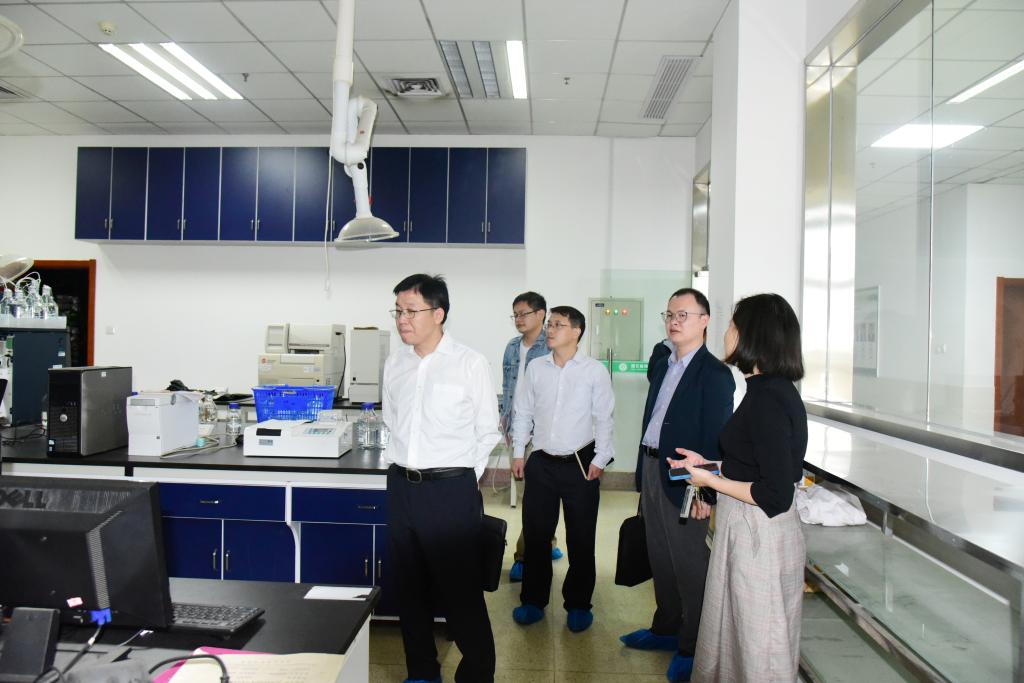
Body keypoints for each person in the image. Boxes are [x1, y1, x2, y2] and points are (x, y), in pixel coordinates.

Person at [674, 293, 808, 683]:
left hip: (760, 536)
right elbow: (750, 464)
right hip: (746, 531)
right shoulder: (763, 390)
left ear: (753, 334)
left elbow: (774, 494)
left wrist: (710, 481)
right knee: (736, 640)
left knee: (759, 649)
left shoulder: (770, 398)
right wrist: (705, 465)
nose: (726, 332)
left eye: (733, 325)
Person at [381, 273, 500, 683]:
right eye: (398, 311)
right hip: (402, 487)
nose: (402, 319)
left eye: (411, 311)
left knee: (460, 591)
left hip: (450, 491)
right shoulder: (395, 363)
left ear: (438, 313)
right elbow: (392, 421)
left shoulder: (469, 363)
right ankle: (422, 672)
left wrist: (463, 479)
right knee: (408, 587)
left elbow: (487, 431)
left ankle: (477, 673)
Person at [620, 288, 734, 683]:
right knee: (660, 556)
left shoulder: (715, 374)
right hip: (653, 468)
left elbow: (716, 437)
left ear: (705, 320)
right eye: (669, 314)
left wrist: (705, 490)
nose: (674, 321)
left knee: (688, 563)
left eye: (683, 314)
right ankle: (666, 627)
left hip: (689, 477)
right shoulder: (664, 364)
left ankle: (692, 645)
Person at [509, 305, 614, 633]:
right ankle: (533, 600)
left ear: (576, 331)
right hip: (541, 463)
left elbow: (604, 417)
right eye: (550, 324)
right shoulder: (536, 368)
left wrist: (600, 459)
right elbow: (523, 411)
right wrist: (518, 452)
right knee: (537, 535)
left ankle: (579, 603)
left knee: (581, 538)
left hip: (580, 466)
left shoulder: (594, 371)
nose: (550, 330)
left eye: (558, 325)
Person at [500, 291, 563, 582]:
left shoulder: (551, 346)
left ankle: (523, 557)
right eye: (515, 314)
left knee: (534, 498)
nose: (518, 319)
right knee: (535, 494)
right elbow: (508, 386)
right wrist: (506, 422)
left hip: (542, 432)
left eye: (523, 313)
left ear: (541, 314)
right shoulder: (512, 347)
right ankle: (547, 541)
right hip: (516, 427)